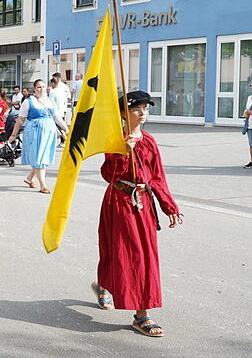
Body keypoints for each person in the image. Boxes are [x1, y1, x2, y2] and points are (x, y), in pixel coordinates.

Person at [92, 91, 183, 337]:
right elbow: (108, 174)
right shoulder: (115, 139)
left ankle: (138, 310)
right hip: (119, 201)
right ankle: (118, 295)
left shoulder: (149, 141)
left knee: (145, 257)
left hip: (143, 203)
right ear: (123, 113)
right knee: (120, 253)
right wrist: (123, 151)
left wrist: (169, 206)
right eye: (136, 109)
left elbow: (157, 177)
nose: (143, 114)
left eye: (146, 109)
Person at [8, 79, 62, 194]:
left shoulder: (50, 100)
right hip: (35, 133)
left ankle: (29, 178)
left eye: (43, 87)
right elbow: (20, 120)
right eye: (39, 87)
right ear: (34, 89)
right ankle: (43, 185)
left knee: (42, 158)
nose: (41, 89)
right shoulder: (28, 101)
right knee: (39, 158)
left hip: (49, 133)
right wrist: (13, 134)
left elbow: (57, 117)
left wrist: (67, 129)